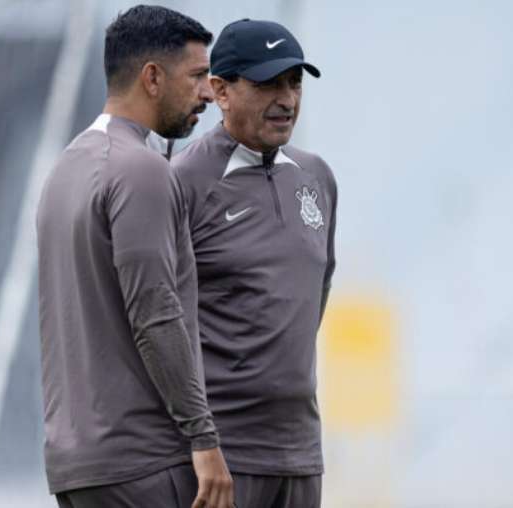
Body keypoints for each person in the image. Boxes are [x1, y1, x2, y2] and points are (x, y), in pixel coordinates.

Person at [36, 6, 234, 508]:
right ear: (152, 77)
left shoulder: (66, 167)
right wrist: (205, 439)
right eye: (195, 77)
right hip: (145, 465)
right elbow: (155, 314)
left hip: (77, 468)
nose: (208, 94)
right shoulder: (141, 170)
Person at [171, 19, 336, 508]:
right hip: (220, 457)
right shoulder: (182, 181)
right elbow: (155, 314)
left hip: (301, 451)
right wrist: (200, 439)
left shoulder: (317, 178)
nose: (286, 99)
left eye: (294, 82)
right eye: (267, 83)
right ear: (220, 90)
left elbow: (313, 297)